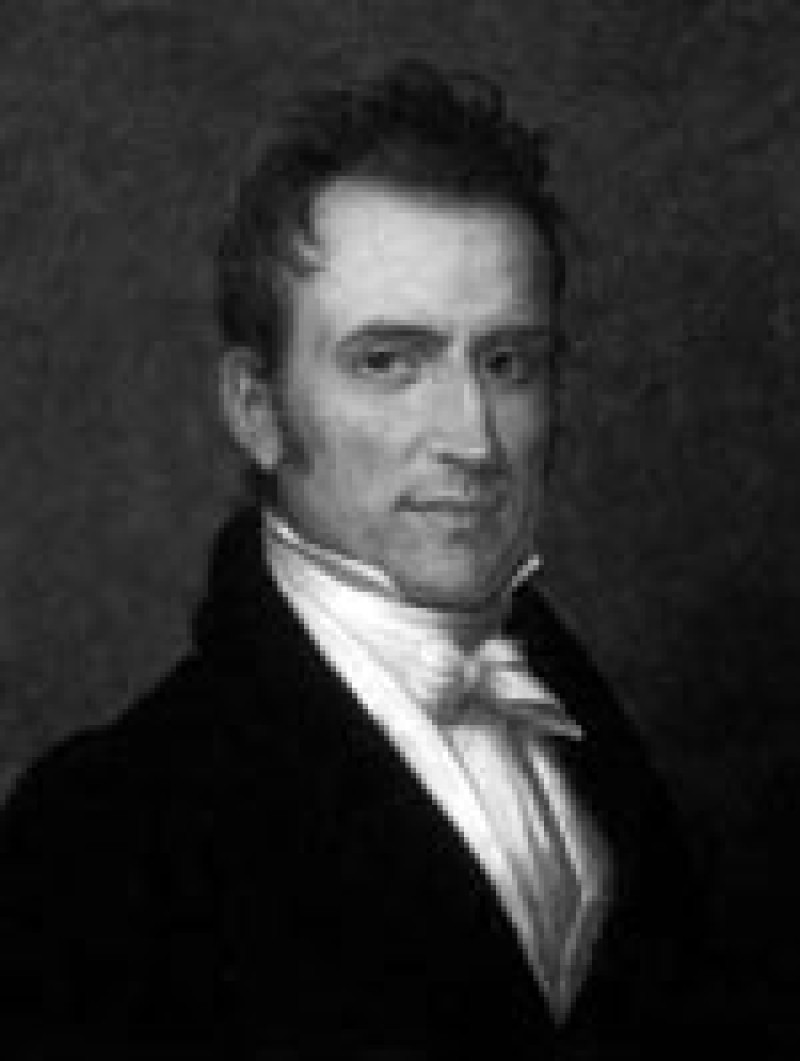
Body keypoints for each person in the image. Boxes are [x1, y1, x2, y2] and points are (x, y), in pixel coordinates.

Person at [0, 63, 704, 1056]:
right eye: (388, 362)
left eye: (506, 362)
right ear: (257, 409)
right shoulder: (106, 829)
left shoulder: (588, 733)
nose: (471, 436)